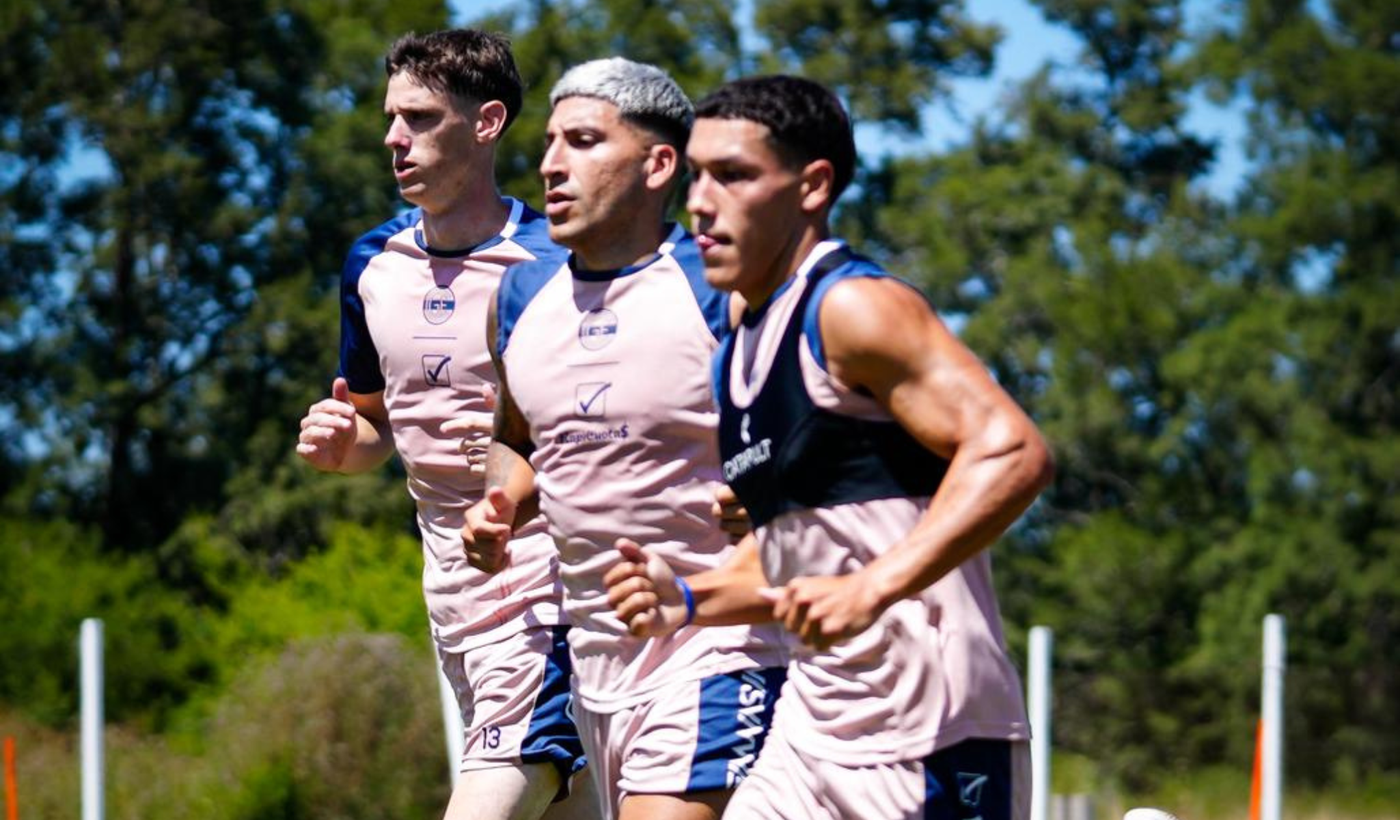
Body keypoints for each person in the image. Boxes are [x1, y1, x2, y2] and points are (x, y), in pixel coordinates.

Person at [604, 75, 1055, 820]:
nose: (700, 201)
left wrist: (872, 588)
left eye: (734, 175)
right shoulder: (738, 350)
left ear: (812, 186)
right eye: (695, 175)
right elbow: (800, 558)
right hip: (812, 735)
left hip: (929, 733)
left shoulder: (852, 309)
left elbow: (1012, 452)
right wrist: (685, 597)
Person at [462, 58, 788, 820]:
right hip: (593, 665)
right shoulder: (518, 293)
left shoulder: (724, 289)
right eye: (547, 142)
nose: (549, 164)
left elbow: (813, 444)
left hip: (722, 647)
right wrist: (499, 503)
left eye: (581, 141)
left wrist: (764, 490)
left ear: (658, 164)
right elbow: (517, 436)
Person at [294, 29, 595, 820]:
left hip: (552, 588)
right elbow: (371, 429)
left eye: (421, 119)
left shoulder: (558, 264)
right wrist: (341, 445)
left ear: (487, 122)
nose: (394, 139)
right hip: (451, 594)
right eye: (392, 117)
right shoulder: (372, 264)